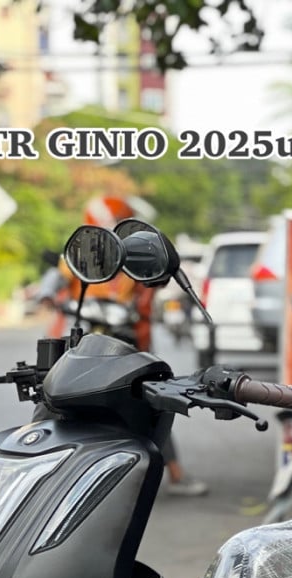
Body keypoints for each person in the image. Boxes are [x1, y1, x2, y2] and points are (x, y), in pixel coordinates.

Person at [62, 195, 208, 497]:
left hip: (131, 342)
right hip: (89, 344)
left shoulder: (136, 257)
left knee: (152, 403)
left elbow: (157, 281)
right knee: (58, 396)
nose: (109, 229)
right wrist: (48, 293)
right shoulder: (84, 251)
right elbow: (62, 274)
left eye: (115, 222)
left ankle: (175, 474)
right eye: (104, 223)